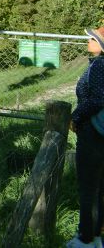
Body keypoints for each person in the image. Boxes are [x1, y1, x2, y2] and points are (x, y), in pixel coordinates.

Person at [66, 25, 104, 248]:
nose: (88, 41)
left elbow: (99, 98)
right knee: (100, 187)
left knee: (89, 187)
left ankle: (85, 238)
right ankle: (97, 236)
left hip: (93, 133)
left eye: (92, 38)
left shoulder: (99, 65)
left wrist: (76, 117)